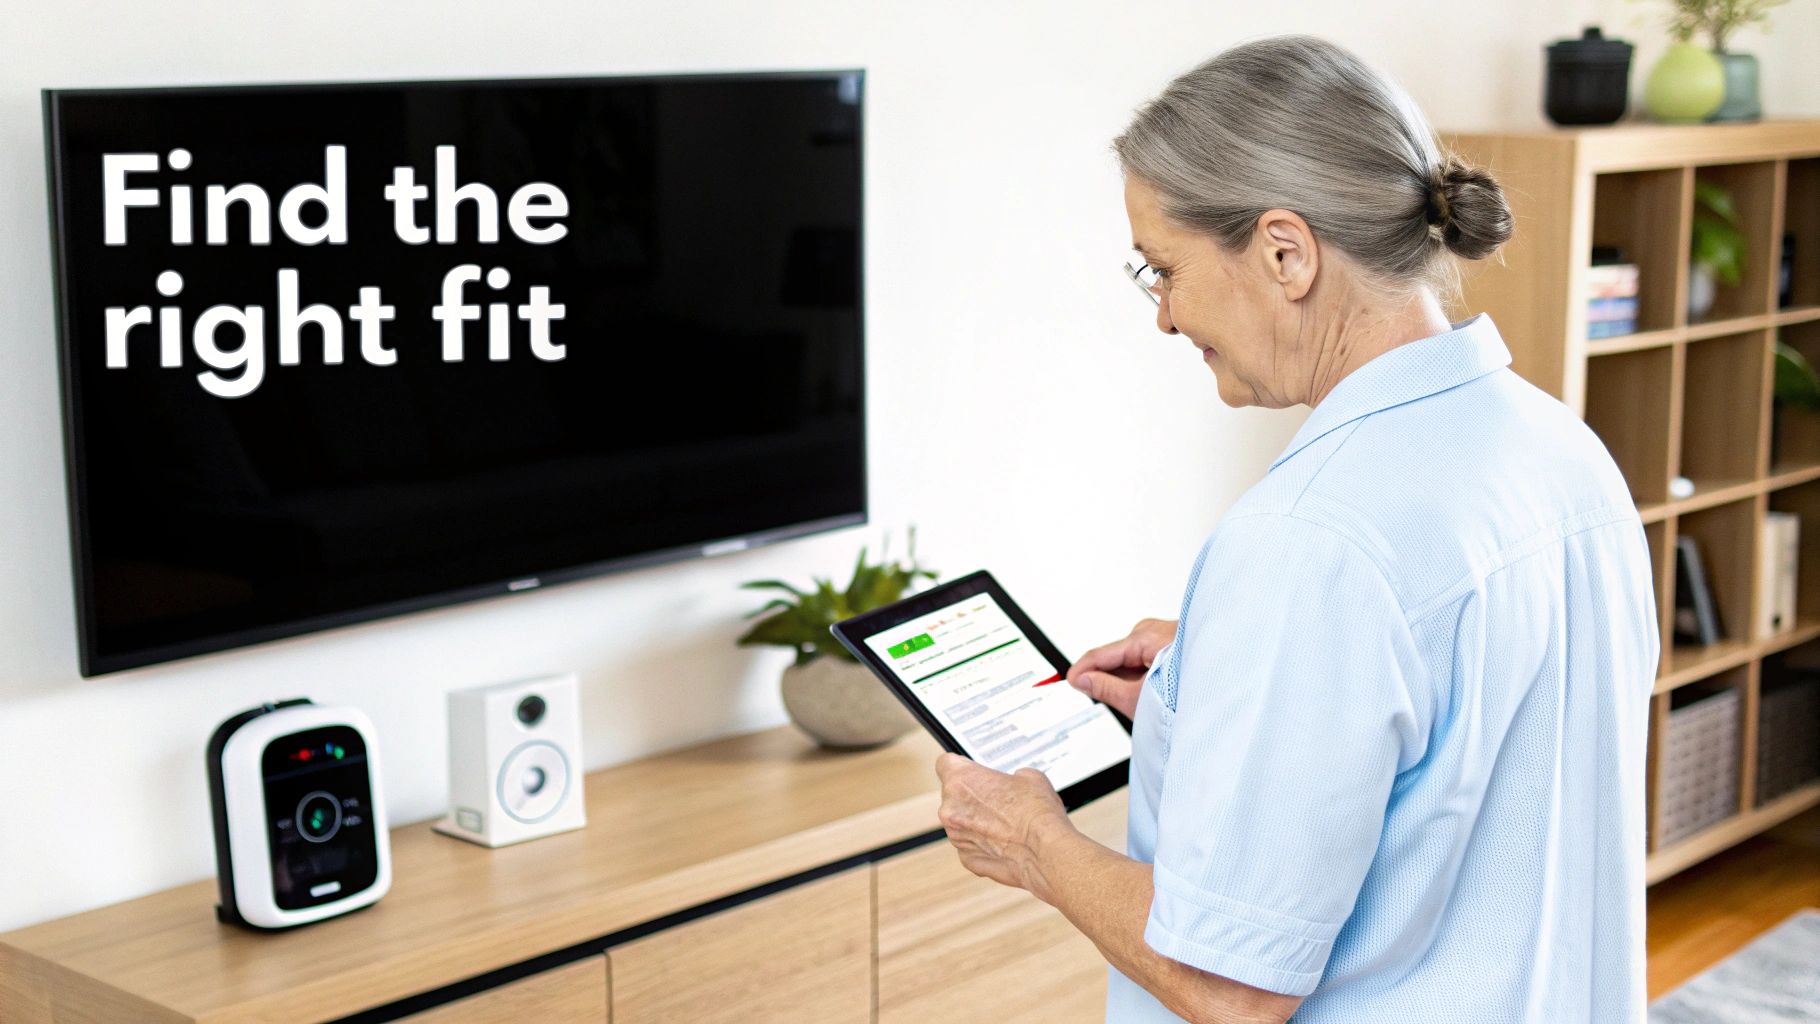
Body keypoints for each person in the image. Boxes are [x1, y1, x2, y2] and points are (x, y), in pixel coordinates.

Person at [931, 34, 1660, 1023]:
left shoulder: (1311, 539)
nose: (1162, 317)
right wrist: (1225, 692)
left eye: (1161, 270)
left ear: (1284, 251)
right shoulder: (1560, 452)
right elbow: (1466, 755)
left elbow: (1229, 984)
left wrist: (1034, 845)